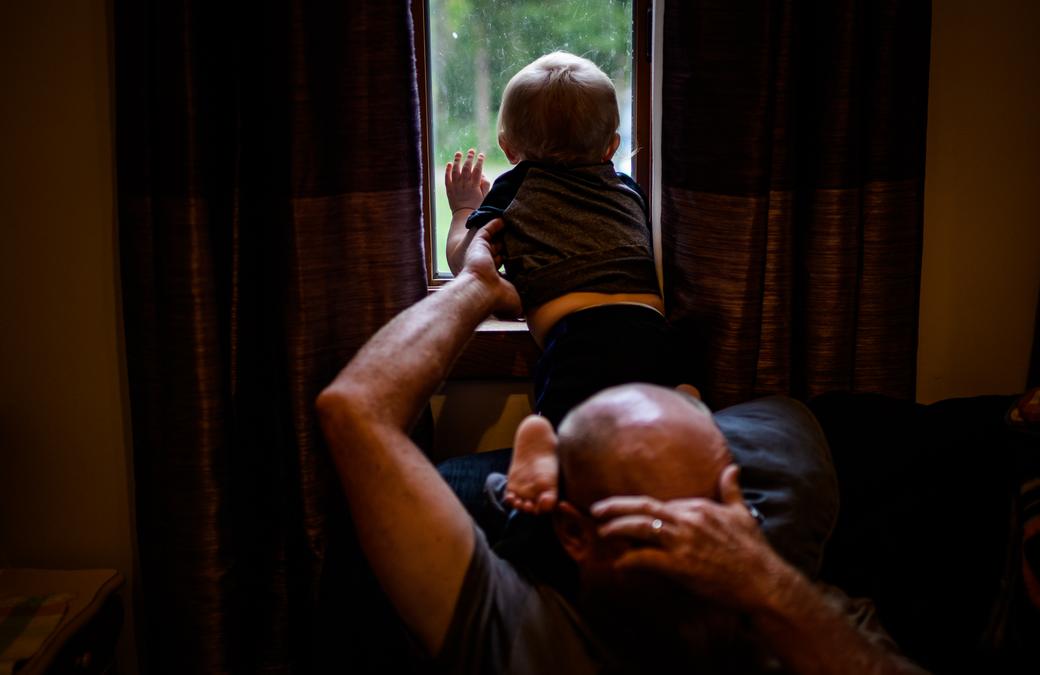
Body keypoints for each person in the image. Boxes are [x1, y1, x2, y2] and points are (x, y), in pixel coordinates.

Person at [317, 219, 926, 674]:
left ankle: (660, 415)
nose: (711, 528)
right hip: (768, 441)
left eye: (722, 500)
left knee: (779, 428)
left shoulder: (793, 594)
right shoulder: (529, 638)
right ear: (575, 535)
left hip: (774, 440)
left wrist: (764, 580)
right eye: (662, 516)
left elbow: (360, 405)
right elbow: (350, 412)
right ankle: (655, 413)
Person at [441, 52, 674, 436]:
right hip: (653, 331)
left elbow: (467, 262)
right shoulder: (628, 189)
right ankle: (684, 399)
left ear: (508, 148)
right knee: (655, 434)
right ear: (611, 146)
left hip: (579, 341)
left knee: (565, 443)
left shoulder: (516, 184)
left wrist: (464, 209)